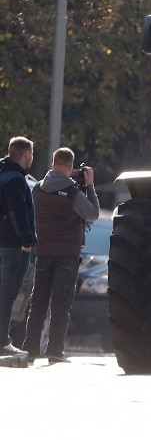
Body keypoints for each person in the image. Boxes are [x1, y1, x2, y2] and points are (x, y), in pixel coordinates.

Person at [22, 147, 99, 364]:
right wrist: (90, 186)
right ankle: (55, 350)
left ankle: (31, 348)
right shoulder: (73, 194)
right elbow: (92, 213)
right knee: (60, 303)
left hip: (43, 251)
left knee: (38, 302)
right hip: (67, 254)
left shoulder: (37, 189)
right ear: (69, 167)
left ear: (53, 164)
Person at [0, 137, 36, 359]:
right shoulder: (15, 180)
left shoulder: (3, 175)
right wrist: (27, 240)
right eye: (31, 154)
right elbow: (18, 212)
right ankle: (3, 342)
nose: (32, 158)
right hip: (12, 246)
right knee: (7, 295)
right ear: (25, 155)